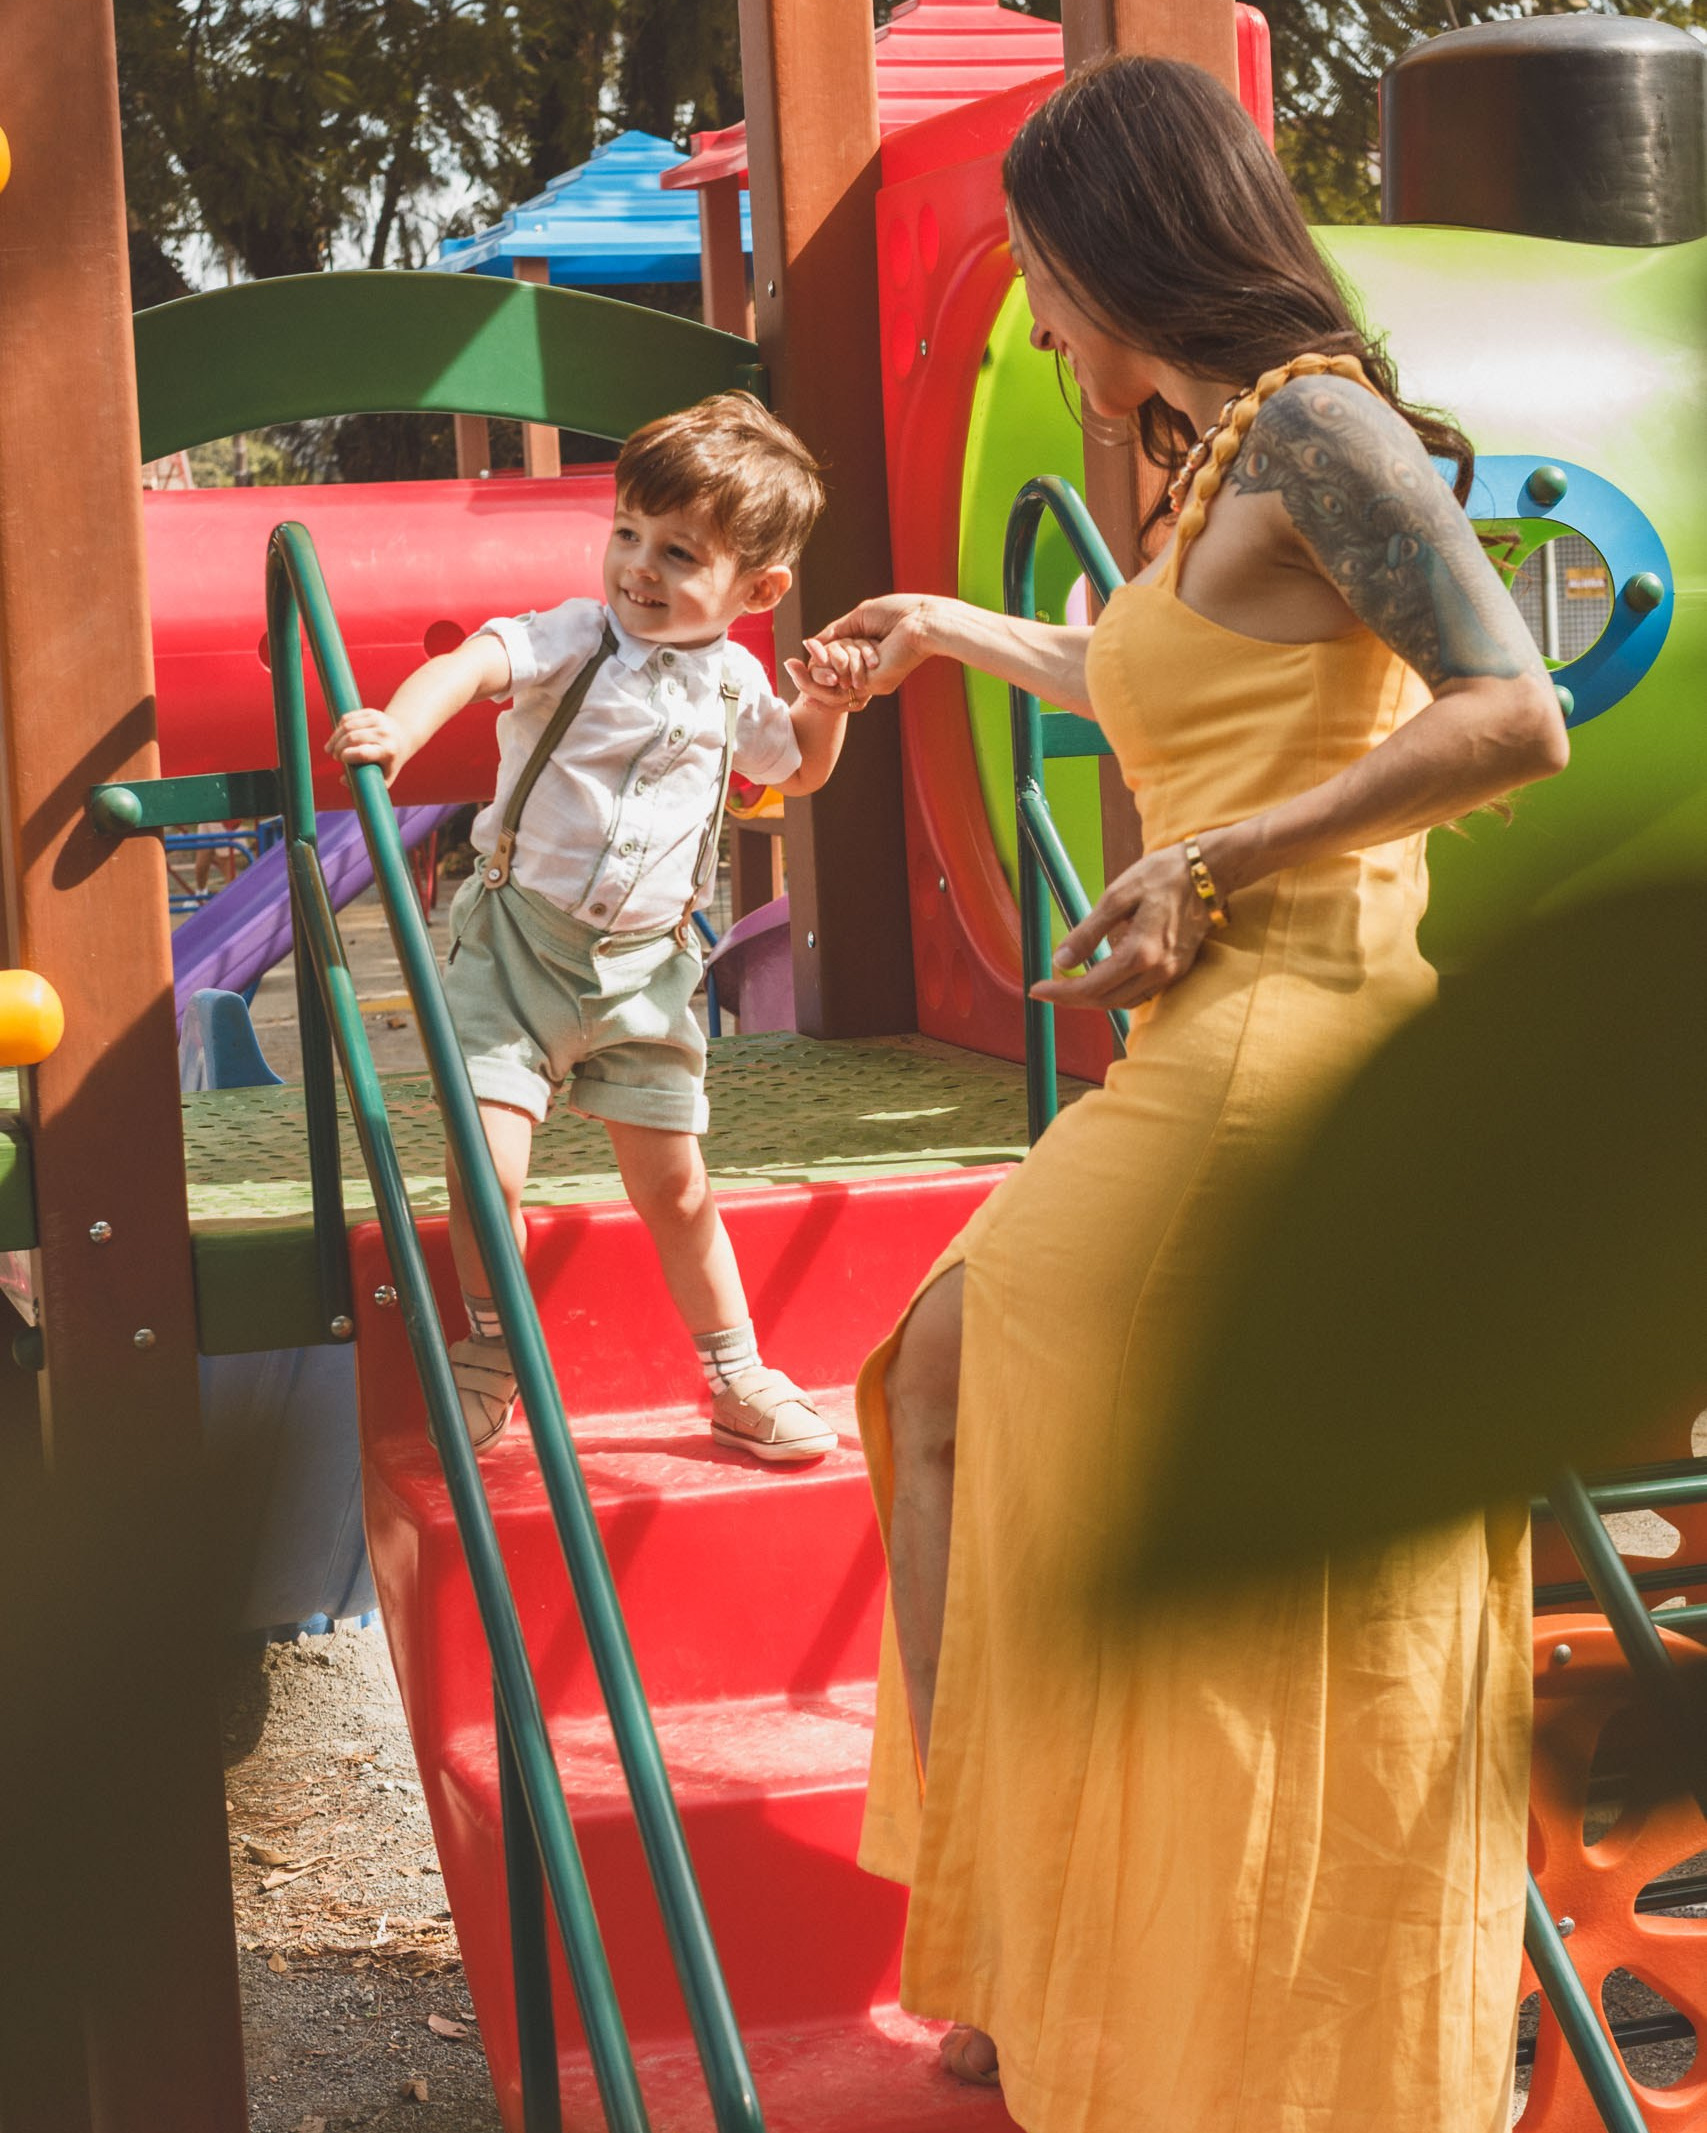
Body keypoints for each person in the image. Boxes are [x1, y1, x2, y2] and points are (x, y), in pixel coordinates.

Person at [802, 56, 1567, 2133]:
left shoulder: (1315, 418)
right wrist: (948, 628)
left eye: (1044, 272)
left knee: (959, 1384)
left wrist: (1217, 858)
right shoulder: (1210, 452)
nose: (1038, 315)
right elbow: (1170, 679)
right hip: (1207, 1040)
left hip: (1286, 1042)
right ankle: (1027, 1945)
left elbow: (1514, 711)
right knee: (957, 1395)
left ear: (1125, 237)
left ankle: (1065, 1965)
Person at [330, 391, 872, 1463]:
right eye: (627, 532)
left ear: (757, 590)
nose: (638, 567)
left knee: (676, 1186)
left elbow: (797, 768)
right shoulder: (577, 638)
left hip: (646, 975)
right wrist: (401, 722)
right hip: (518, 946)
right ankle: (491, 1349)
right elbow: (475, 663)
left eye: (679, 553)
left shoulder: (735, 681)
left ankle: (734, 1372)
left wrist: (832, 706)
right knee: (488, 1169)